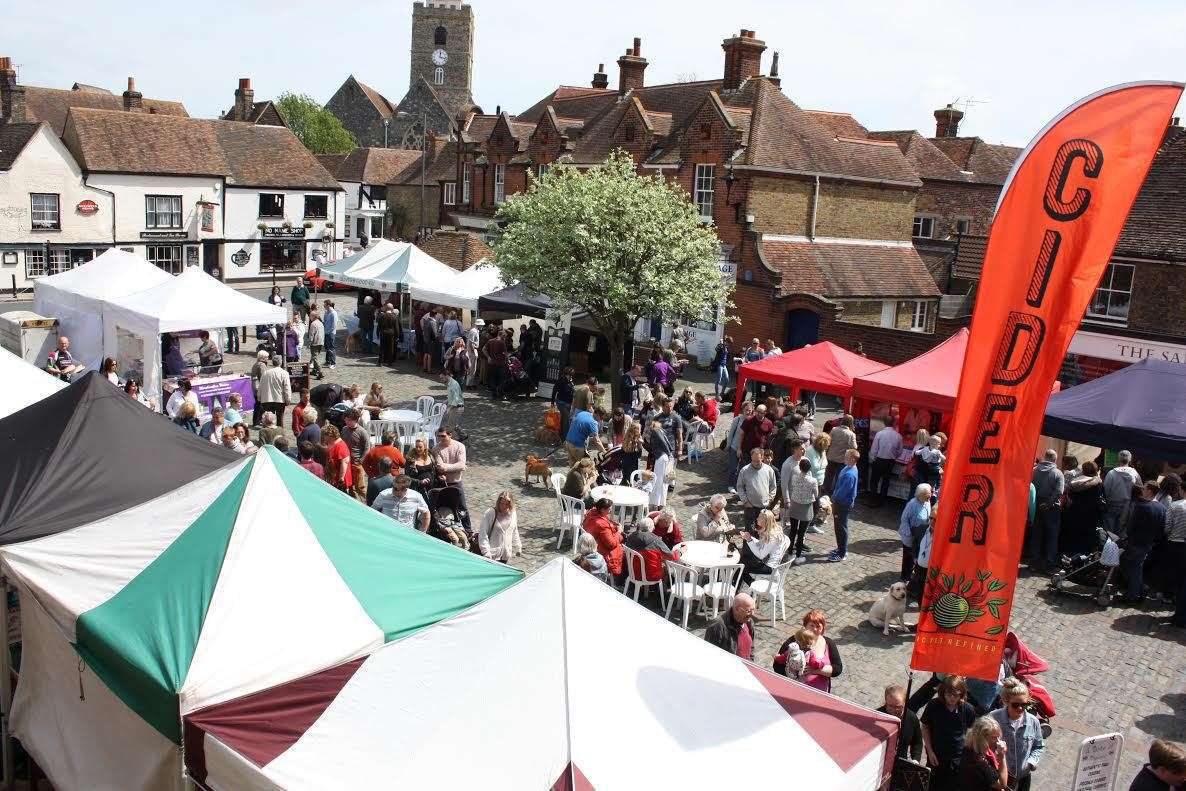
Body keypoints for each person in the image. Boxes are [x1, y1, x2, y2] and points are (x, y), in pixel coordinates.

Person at [921, 675, 978, 791]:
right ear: (943, 693)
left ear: (961, 694)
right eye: (948, 694)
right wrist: (930, 751)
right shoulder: (934, 705)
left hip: (957, 759)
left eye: (955, 695)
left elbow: (972, 732)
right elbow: (925, 727)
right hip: (936, 756)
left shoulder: (968, 709)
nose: (951, 698)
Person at [989, 679, 1045, 791]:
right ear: (1005, 701)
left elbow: (1038, 746)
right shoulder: (993, 718)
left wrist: (1031, 762)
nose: (1020, 708)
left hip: (1023, 778)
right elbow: (983, 745)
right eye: (1015, 705)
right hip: (1000, 777)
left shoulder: (1033, 722)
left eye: (1024, 705)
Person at [1118, 481, 1167, 604]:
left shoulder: (1142, 506)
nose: (1142, 490)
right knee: (1136, 568)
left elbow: (1131, 527)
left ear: (1150, 491)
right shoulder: (1161, 508)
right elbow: (1162, 529)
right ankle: (1140, 590)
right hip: (1148, 544)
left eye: (1144, 488)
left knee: (1133, 569)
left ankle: (1133, 596)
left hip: (1135, 543)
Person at [1028, 449, 1066, 573]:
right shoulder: (1058, 473)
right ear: (1055, 459)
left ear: (1045, 457)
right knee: (1052, 536)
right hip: (1052, 508)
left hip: (1035, 504)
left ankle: (1034, 562)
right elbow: (1059, 492)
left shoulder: (1034, 470)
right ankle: (1049, 564)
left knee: (1036, 534)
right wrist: (1049, 503)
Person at [1062, 460, 1105, 555]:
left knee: (1073, 537)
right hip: (1090, 516)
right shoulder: (1097, 483)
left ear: (1083, 470)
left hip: (1074, 513)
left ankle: (1069, 556)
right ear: (1095, 470)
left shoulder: (1074, 482)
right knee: (1086, 540)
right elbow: (1100, 501)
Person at [432, 427, 471, 531]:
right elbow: (440, 466)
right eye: (439, 436)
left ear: (450, 435)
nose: (441, 438)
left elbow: (461, 464)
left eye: (443, 436)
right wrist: (455, 467)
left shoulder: (459, 446)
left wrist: (447, 467)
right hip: (442, 483)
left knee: (463, 508)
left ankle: (468, 530)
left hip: (456, 482)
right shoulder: (436, 449)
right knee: (443, 507)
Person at [957, 716, 1008, 791]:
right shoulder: (978, 761)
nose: (998, 742)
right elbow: (1002, 784)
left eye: (998, 737)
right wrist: (1002, 756)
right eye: (994, 738)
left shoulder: (970, 749)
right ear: (982, 738)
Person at [799, 610, 842, 692]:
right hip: (795, 690)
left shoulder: (829, 643)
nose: (815, 629)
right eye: (811, 625)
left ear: (822, 628)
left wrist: (817, 670)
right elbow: (778, 666)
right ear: (805, 626)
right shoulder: (794, 641)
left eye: (818, 626)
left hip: (820, 693)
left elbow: (837, 669)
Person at [740, 509, 788, 583]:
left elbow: (760, 555)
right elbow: (761, 545)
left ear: (764, 521)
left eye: (759, 517)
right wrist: (749, 538)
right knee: (744, 560)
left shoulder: (771, 537)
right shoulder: (774, 530)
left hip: (770, 567)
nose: (757, 519)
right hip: (770, 563)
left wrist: (749, 540)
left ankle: (752, 586)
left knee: (742, 568)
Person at [704, 593, 757, 660]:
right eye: (748, 611)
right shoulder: (717, 627)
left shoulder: (749, 622)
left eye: (753, 610)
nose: (752, 614)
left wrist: (751, 662)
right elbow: (709, 656)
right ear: (737, 610)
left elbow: (751, 647)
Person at [583, 498, 624, 583]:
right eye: (609, 509)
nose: (611, 510)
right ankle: (619, 579)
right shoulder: (601, 525)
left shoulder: (591, 513)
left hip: (594, 543)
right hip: (603, 551)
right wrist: (619, 532)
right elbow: (611, 544)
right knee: (625, 552)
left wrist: (612, 526)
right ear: (602, 509)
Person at [879, 684, 924, 763]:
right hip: (880, 762)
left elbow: (917, 742)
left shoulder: (911, 717)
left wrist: (915, 759)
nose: (894, 710)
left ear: (905, 702)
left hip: (900, 762)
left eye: (898, 706)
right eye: (890, 706)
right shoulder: (878, 716)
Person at [1103, 451, 1142, 537]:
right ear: (1130, 460)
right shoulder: (1135, 473)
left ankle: (1108, 548)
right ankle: (1119, 548)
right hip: (1127, 505)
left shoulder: (1111, 473)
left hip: (1112, 504)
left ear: (1118, 459)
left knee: (1109, 530)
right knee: (1122, 530)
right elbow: (1140, 490)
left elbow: (1105, 490)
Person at [737, 448, 778, 529]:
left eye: (758, 461)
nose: (755, 463)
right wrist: (745, 501)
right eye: (753, 461)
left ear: (762, 458)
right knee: (750, 531)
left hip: (764, 506)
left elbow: (773, 486)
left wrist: (770, 499)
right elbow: (740, 487)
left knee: (763, 530)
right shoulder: (745, 470)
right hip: (750, 506)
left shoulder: (769, 470)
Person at [830, 449, 859, 562]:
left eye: (846, 456)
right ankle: (840, 548)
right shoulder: (848, 469)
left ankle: (842, 553)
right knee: (839, 527)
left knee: (841, 528)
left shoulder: (849, 474)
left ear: (852, 458)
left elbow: (841, 493)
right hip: (842, 503)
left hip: (842, 505)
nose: (844, 458)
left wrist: (833, 500)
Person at [900, 484, 934, 582]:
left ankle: (913, 574)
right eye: (927, 495)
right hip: (910, 534)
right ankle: (905, 576)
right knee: (908, 556)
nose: (930, 496)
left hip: (921, 534)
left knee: (916, 554)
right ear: (920, 495)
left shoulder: (926, 502)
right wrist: (909, 535)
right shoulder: (912, 504)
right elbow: (904, 519)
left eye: (930, 494)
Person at [623, 517, 671, 585]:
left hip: (633, 572)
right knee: (665, 566)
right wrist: (680, 552)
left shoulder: (631, 537)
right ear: (652, 528)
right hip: (650, 575)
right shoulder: (655, 540)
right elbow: (671, 556)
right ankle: (663, 591)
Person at [869, 418, 903, 505]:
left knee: (874, 480)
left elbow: (874, 449)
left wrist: (873, 458)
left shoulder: (879, 434)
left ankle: (873, 499)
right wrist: (894, 457)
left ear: (884, 423)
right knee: (886, 481)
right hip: (890, 461)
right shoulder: (898, 435)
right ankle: (882, 500)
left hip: (879, 460)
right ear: (893, 424)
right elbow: (900, 451)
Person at [478, 491, 520, 562]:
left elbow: (514, 530)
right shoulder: (490, 513)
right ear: (498, 502)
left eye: (507, 504)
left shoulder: (513, 513)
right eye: (502, 503)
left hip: (505, 556)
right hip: (491, 555)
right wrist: (486, 552)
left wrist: (518, 546)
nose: (504, 506)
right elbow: (483, 534)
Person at [257, 355, 292, 430]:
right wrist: (288, 399)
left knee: (267, 420)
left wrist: (259, 397)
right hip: (279, 400)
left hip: (267, 399)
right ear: (281, 362)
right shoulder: (284, 373)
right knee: (280, 420)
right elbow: (287, 388)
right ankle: (280, 435)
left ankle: (267, 435)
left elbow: (260, 386)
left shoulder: (266, 373)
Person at [824, 415, 857, 493]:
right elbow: (854, 447)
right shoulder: (851, 434)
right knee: (839, 476)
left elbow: (829, 441)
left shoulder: (834, 429)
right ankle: (836, 490)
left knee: (829, 475)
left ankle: (826, 489)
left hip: (831, 456)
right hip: (842, 459)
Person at [726, 402, 754, 487]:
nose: (748, 412)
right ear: (743, 410)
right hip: (734, 446)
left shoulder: (752, 421)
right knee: (733, 467)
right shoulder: (737, 419)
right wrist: (728, 445)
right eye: (746, 410)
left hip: (745, 449)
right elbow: (731, 433)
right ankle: (731, 485)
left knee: (742, 469)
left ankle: (739, 485)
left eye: (750, 410)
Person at [321, 424, 352, 492]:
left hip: (340, 481)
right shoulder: (332, 443)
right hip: (334, 478)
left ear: (330, 436)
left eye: (324, 435)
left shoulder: (340, 446)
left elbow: (345, 461)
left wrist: (341, 479)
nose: (323, 437)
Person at [441, 368, 467, 441]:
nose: (441, 379)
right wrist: (446, 401)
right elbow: (451, 396)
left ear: (447, 376)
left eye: (442, 378)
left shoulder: (453, 384)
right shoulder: (450, 383)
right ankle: (463, 435)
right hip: (455, 406)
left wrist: (449, 408)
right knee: (453, 423)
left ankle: (448, 441)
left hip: (457, 407)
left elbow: (455, 399)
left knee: (449, 425)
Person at [552, 366, 576, 439]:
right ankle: (566, 438)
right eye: (570, 375)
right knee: (567, 419)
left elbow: (572, 391)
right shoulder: (560, 381)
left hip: (569, 403)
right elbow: (554, 391)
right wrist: (552, 403)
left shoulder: (571, 381)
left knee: (564, 419)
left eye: (572, 375)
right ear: (566, 374)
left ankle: (561, 435)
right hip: (561, 402)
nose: (571, 377)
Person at [250, 350, 270, 427]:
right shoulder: (262, 365)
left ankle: (257, 420)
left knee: (258, 405)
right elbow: (263, 376)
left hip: (255, 387)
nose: (267, 359)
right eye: (266, 357)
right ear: (263, 358)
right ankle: (258, 420)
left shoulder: (256, 364)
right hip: (259, 388)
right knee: (260, 405)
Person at [306, 308, 325, 378]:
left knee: (315, 358)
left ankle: (320, 372)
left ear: (313, 316)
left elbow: (311, 335)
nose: (309, 317)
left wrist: (309, 343)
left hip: (315, 343)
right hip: (321, 342)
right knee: (315, 357)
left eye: (310, 316)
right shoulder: (320, 323)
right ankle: (314, 371)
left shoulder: (313, 324)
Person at [712, 335, 733, 400]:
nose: (729, 344)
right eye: (728, 342)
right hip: (719, 365)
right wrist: (721, 344)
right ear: (726, 341)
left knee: (727, 379)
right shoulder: (720, 345)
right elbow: (716, 349)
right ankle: (717, 395)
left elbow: (728, 356)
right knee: (719, 380)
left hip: (724, 365)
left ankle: (722, 393)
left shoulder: (728, 348)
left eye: (730, 343)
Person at [322, 300, 339, 369]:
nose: (324, 307)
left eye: (325, 305)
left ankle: (333, 363)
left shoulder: (333, 313)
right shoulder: (326, 312)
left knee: (331, 347)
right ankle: (328, 361)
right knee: (327, 347)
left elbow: (334, 326)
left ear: (328, 305)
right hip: (326, 332)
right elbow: (325, 322)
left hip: (331, 333)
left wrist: (328, 332)